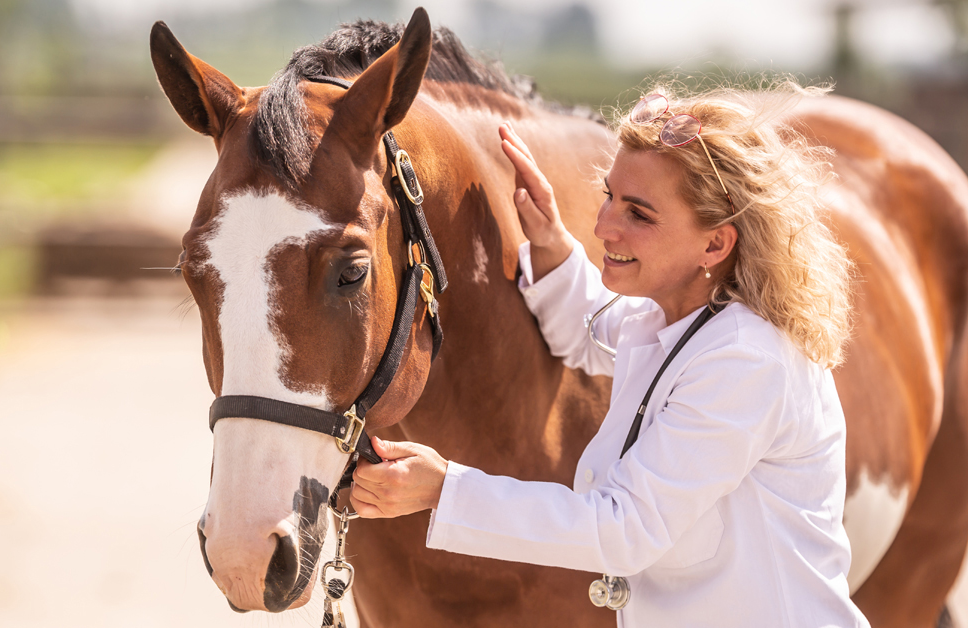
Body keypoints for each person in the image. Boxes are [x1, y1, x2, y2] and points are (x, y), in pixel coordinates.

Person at [350, 81, 869, 627]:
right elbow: (588, 331)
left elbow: (624, 531)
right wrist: (550, 243)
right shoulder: (677, 319)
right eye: (609, 196)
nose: (602, 226)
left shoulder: (746, 361)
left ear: (715, 245)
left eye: (639, 214)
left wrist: (445, 490)